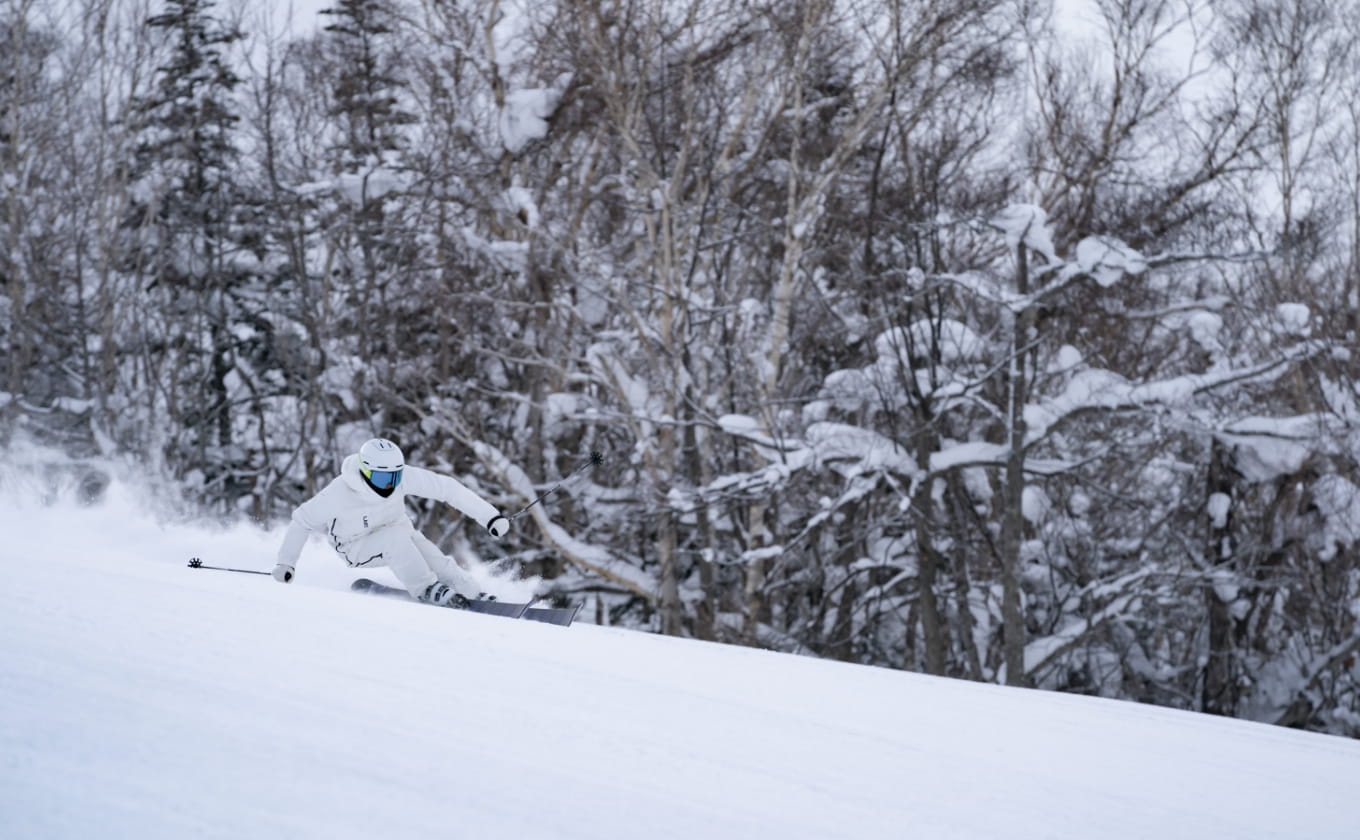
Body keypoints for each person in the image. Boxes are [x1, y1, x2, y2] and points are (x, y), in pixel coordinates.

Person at [272, 438, 511, 605]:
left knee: (433, 556)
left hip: (397, 530)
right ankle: (425, 588)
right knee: (396, 540)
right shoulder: (340, 492)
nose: (389, 484)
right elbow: (302, 520)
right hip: (354, 546)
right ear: (365, 471)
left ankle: (468, 590)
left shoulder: (402, 478)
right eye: (381, 477)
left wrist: (490, 516)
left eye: (394, 476)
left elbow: (447, 488)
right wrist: (286, 564)